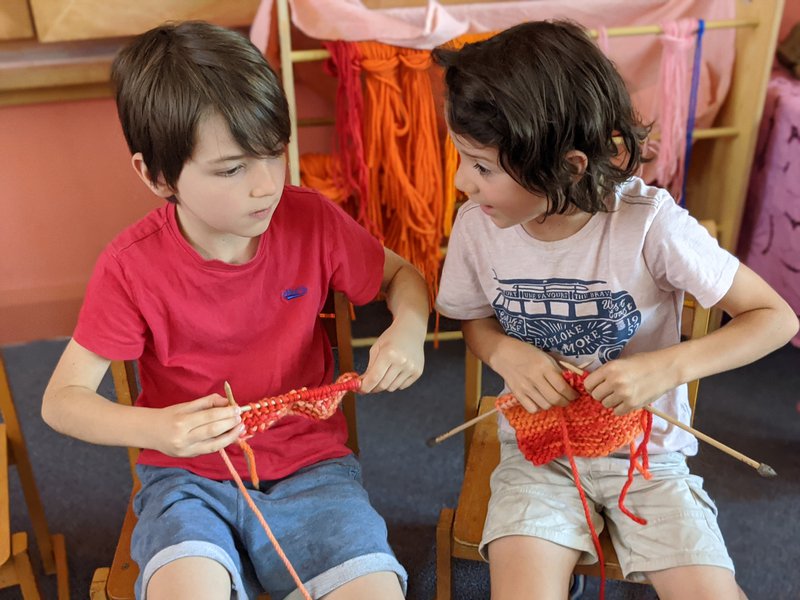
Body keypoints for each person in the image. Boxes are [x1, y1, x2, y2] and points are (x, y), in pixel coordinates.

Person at [42, 21, 429, 600]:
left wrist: (409, 328)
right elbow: (61, 402)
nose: (266, 186)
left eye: (274, 154)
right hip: (188, 481)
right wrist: (158, 429)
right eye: (231, 169)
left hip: (312, 469)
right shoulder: (130, 266)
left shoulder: (311, 220)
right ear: (155, 175)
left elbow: (402, 276)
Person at [433, 20, 799, 600]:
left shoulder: (649, 223)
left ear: (571, 166)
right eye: (462, 159)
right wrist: (506, 351)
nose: (461, 183)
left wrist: (664, 368)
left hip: (649, 456)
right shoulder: (480, 227)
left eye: (482, 167)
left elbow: (776, 318)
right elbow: (472, 319)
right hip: (538, 454)